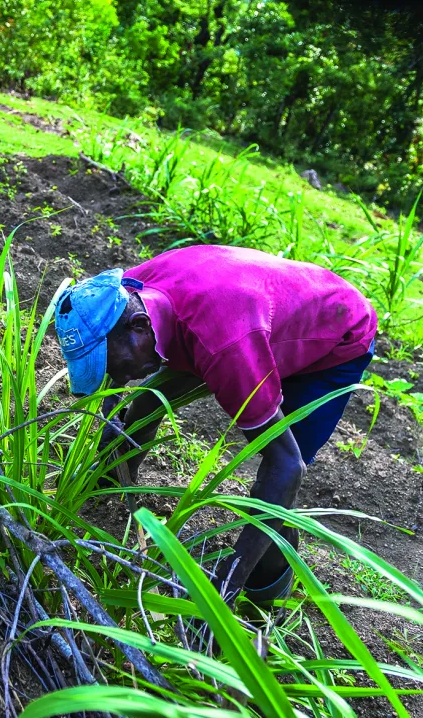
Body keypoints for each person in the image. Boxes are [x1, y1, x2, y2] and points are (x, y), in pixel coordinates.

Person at [53, 244, 377, 605]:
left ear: (141, 327)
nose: (117, 376)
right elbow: (116, 362)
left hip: (333, 337)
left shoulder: (223, 345)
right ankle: (110, 493)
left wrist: (227, 580)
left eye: (112, 364)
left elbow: (286, 468)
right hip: (253, 312)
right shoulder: (127, 293)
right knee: (145, 402)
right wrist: (111, 406)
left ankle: (263, 591)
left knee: (278, 477)